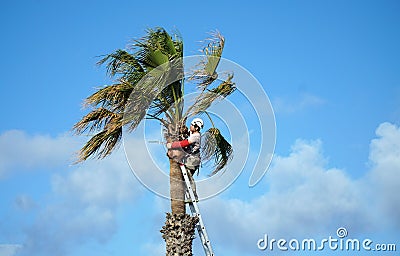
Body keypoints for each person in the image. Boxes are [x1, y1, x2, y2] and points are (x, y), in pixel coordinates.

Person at [167, 118, 203, 202]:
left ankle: (193, 196)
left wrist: (172, 145)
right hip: (190, 158)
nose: (190, 126)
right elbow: (187, 133)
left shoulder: (196, 136)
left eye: (192, 125)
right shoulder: (193, 133)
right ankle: (190, 195)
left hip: (193, 159)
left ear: (196, 127)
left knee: (188, 175)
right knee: (184, 177)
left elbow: (184, 143)